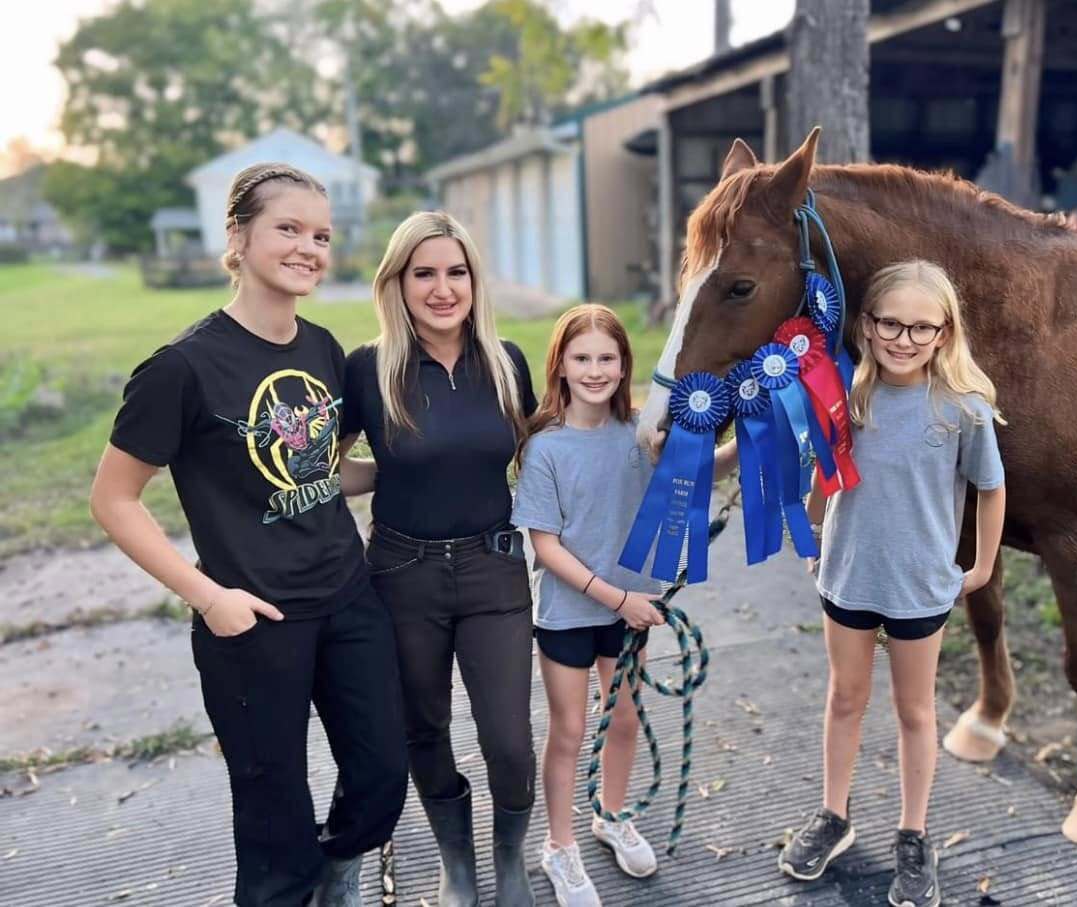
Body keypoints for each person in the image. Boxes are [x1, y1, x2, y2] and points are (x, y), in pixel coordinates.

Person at [89, 163, 408, 907]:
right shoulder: (182, 367)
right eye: (288, 228)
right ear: (238, 237)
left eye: (322, 234)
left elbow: (323, 468)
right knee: (273, 821)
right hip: (252, 620)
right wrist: (207, 597)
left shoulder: (324, 347)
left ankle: (335, 876)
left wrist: (414, 468)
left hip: (347, 597)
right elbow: (114, 499)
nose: (309, 247)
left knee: (382, 774)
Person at [777, 260, 1006, 907]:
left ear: (944, 331)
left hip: (919, 586)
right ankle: (833, 814)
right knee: (845, 698)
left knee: (914, 711)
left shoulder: (962, 408)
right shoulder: (846, 395)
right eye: (890, 323)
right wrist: (815, 537)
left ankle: (913, 833)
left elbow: (991, 489)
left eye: (920, 327)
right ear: (867, 325)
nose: (904, 338)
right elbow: (826, 472)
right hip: (848, 577)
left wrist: (982, 565)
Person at [340, 212, 538, 907]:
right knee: (422, 726)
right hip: (401, 572)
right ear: (397, 281)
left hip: (493, 569)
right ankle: (458, 865)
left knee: (508, 739)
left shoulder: (505, 361)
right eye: (424, 272)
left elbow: (540, 461)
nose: (442, 287)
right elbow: (331, 466)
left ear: (474, 280)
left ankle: (509, 859)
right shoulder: (368, 368)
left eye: (456, 271)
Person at [511, 304, 737, 906]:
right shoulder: (546, 449)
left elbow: (698, 470)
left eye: (606, 358)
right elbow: (546, 545)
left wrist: (748, 447)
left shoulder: (642, 434)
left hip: (630, 613)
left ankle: (610, 815)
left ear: (624, 364)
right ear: (559, 365)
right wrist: (616, 599)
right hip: (570, 613)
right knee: (569, 729)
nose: (594, 370)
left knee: (627, 719)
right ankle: (559, 846)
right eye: (581, 359)